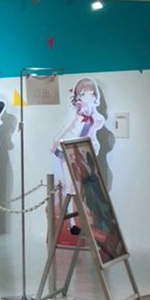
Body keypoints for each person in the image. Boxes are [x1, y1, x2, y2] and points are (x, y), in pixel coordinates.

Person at [51, 77, 106, 233]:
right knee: (70, 186)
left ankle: (90, 221)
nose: (85, 96)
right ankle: (72, 223)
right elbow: (64, 128)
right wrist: (55, 143)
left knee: (85, 187)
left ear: (94, 96)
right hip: (67, 150)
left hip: (82, 153)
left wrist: (93, 149)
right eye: (81, 94)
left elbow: (92, 136)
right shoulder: (74, 113)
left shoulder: (96, 117)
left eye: (88, 93)